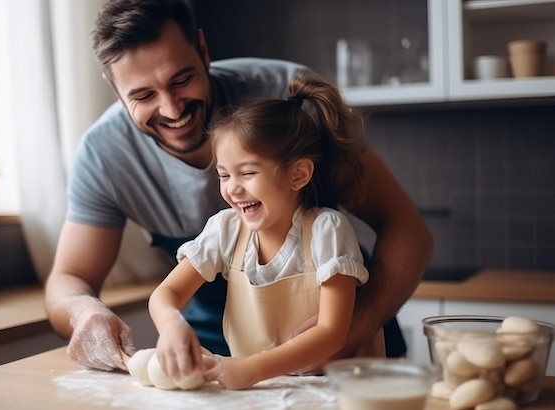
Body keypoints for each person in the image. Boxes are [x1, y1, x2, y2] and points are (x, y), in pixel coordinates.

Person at [44, 0, 433, 373]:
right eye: (143, 95)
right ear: (115, 89)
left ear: (203, 49)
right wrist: (86, 313)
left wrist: (354, 326)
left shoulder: (288, 97)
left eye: (182, 80)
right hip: (227, 346)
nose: (172, 109)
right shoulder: (103, 155)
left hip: (349, 338)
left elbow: (406, 229)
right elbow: (69, 277)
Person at [149, 70, 386, 390]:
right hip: (264, 393)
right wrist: (172, 324)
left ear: (298, 174)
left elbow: (332, 333)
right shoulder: (226, 230)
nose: (233, 189)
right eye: (224, 175)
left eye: (247, 173)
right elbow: (166, 294)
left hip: (338, 392)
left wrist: (251, 369)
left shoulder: (327, 232)